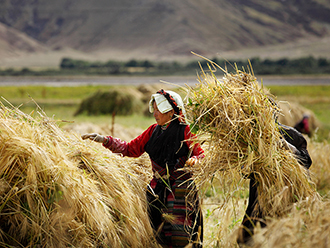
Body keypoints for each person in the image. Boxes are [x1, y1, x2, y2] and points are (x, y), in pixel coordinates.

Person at [81, 89, 205, 248]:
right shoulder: (152, 131)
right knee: (156, 233)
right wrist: (104, 139)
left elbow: (200, 154)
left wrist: (195, 159)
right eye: (154, 109)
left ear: (171, 112)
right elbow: (129, 149)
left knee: (181, 237)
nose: (155, 113)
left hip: (181, 191)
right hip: (157, 190)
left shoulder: (186, 131)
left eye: (159, 109)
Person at [237, 121, 312, 246]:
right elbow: (245, 173)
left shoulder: (292, 135)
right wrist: (247, 164)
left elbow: (306, 161)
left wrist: (289, 147)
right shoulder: (252, 138)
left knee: (284, 235)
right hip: (259, 197)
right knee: (247, 238)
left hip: (286, 196)